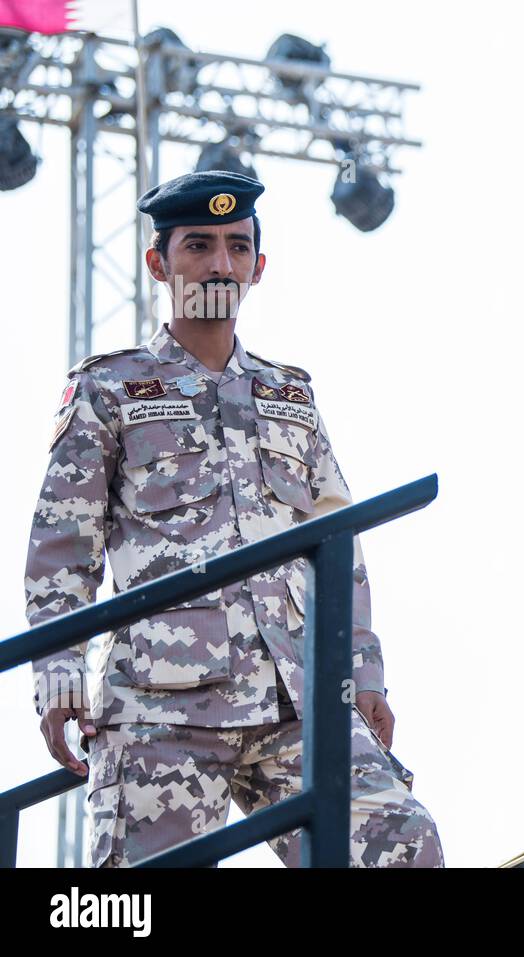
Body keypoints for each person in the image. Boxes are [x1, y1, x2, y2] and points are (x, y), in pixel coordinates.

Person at [26, 170, 443, 867]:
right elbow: (63, 547)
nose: (220, 263)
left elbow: (341, 547)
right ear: (159, 263)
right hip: (162, 707)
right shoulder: (109, 389)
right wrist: (59, 675)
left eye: (237, 246)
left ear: (259, 265)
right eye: (199, 245)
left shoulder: (290, 395)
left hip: (295, 697)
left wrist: (365, 674)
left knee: (404, 840)